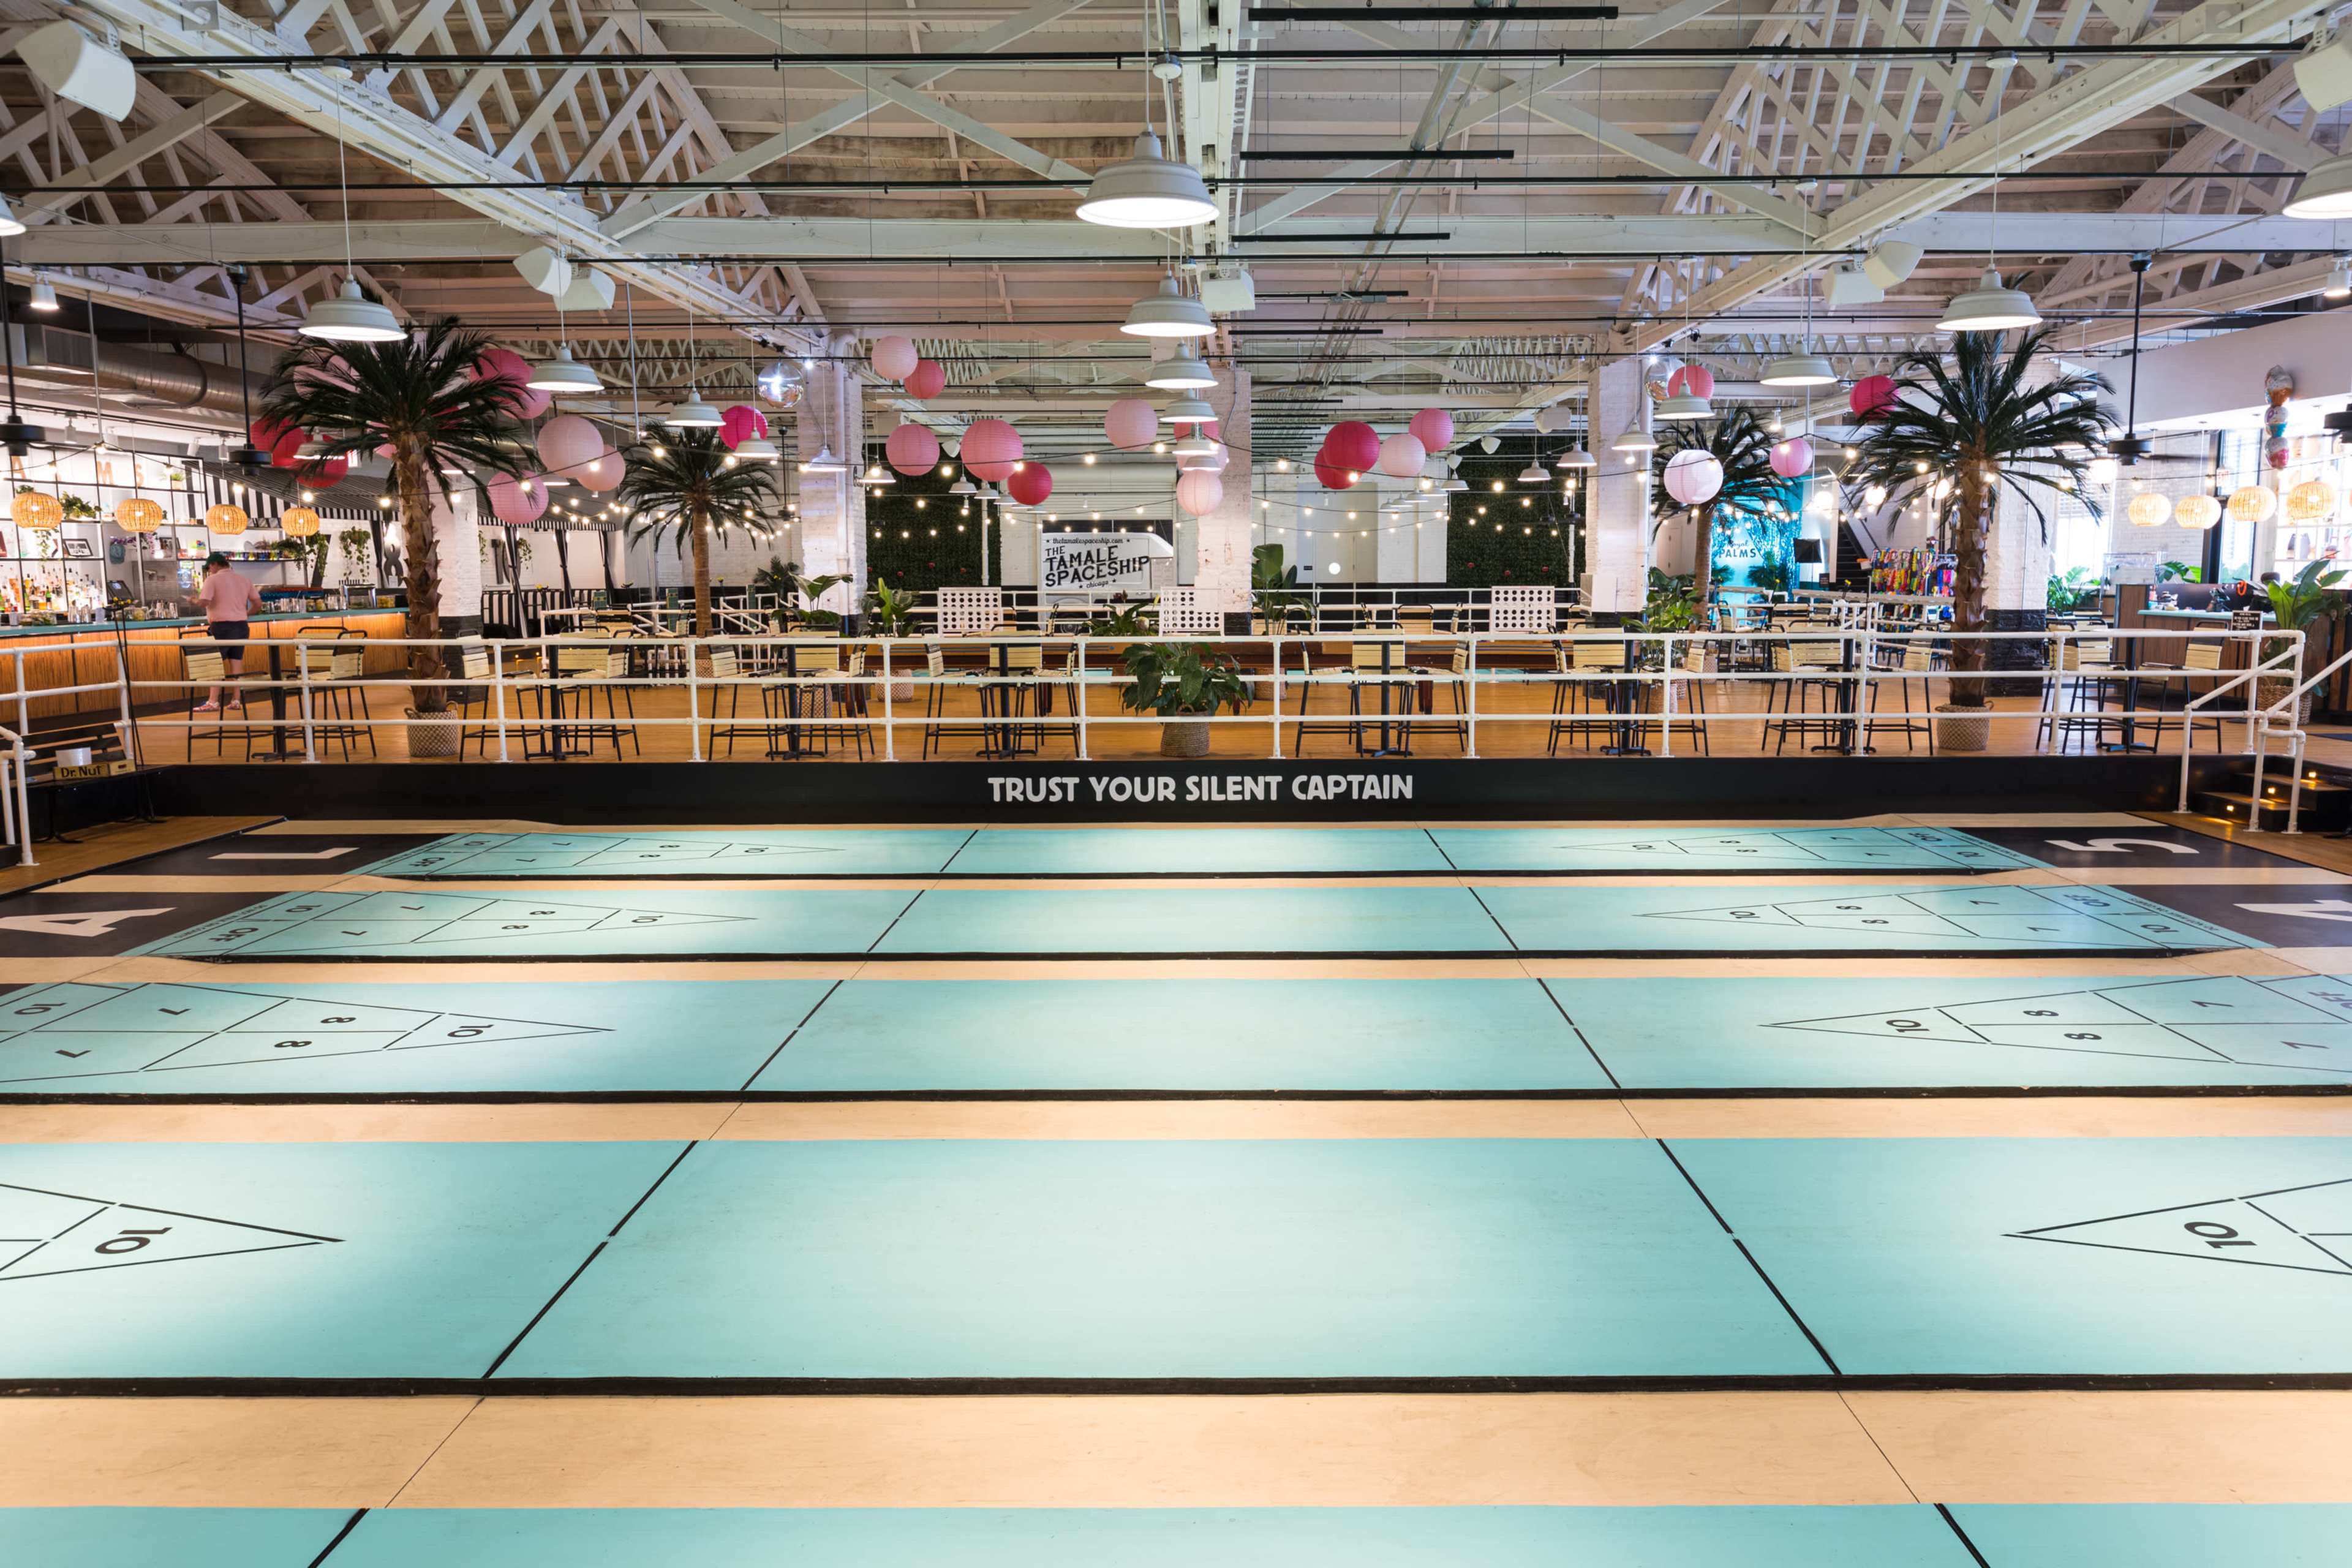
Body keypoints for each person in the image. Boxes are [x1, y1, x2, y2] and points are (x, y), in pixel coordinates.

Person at [195, 551, 260, 711]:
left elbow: (204, 602)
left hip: (222, 627)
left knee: (216, 664)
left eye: (209, 567)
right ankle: (236, 700)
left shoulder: (212, 580)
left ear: (214, 565)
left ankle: (213, 701)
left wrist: (193, 600)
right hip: (241, 626)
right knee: (236, 662)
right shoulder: (244, 580)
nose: (209, 571)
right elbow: (258, 604)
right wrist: (245, 614)